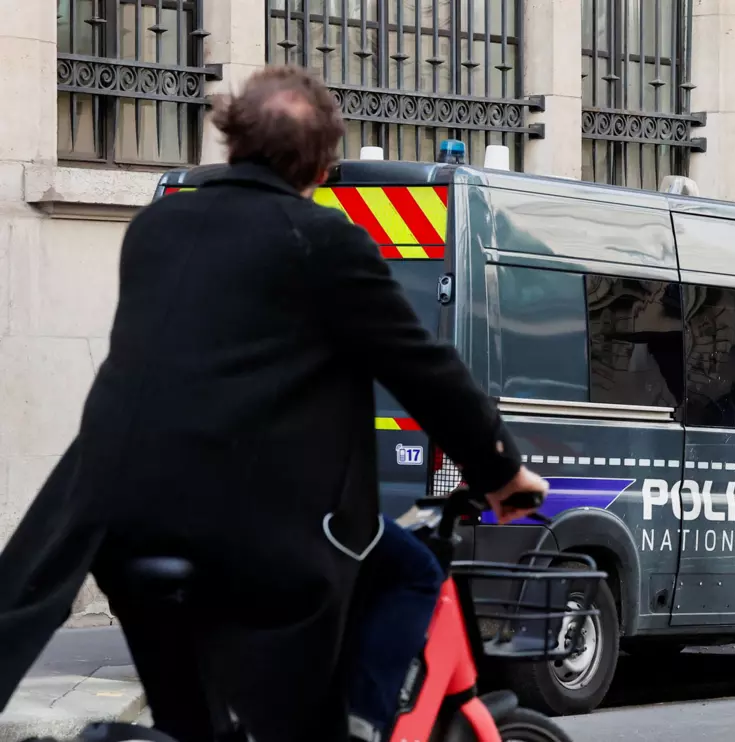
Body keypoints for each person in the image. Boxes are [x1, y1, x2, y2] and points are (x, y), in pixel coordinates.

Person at [0, 65, 546, 742]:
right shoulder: (322, 241)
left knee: (195, 722)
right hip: (248, 532)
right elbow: (423, 369)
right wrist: (502, 472)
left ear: (231, 139)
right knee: (409, 571)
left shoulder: (158, 228)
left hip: (116, 522)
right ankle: (355, 729)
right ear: (322, 161)